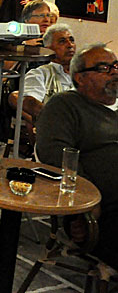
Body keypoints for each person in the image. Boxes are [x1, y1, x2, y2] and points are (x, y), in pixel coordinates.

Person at [35, 43, 118, 270]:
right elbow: (56, 156)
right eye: (104, 68)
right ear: (79, 78)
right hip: (107, 211)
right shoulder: (66, 106)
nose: (114, 71)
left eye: (116, 65)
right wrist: (86, 204)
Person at [13, 24, 76, 123]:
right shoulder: (39, 74)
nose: (70, 45)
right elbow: (28, 101)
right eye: (62, 41)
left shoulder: (85, 75)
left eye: (71, 40)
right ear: (48, 48)